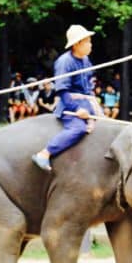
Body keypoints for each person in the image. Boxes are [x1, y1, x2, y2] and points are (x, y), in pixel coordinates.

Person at [31, 25, 103, 171]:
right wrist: (77, 109)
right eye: (88, 41)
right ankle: (45, 153)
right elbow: (62, 90)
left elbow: (88, 83)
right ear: (77, 44)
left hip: (86, 102)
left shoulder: (85, 60)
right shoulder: (65, 62)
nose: (91, 44)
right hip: (69, 104)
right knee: (78, 128)